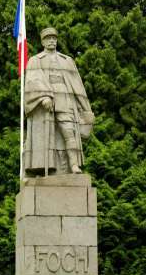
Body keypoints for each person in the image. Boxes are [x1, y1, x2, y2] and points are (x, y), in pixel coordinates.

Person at [24, 27, 94, 176]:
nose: (51, 41)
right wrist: (43, 96)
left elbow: (78, 86)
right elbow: (32, 81)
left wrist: (86, 109)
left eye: (54, 38)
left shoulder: (67, 60)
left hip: (65, 101)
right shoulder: (35, 60)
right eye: (48, 38)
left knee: (70, 133)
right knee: (45, 138)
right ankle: (45, 168)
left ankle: (74, 165)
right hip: (44, 105)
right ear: (43, 42)